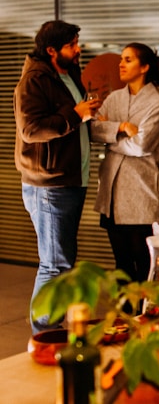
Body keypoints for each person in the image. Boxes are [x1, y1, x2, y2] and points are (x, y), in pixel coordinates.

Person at [14, 20, 101, 334]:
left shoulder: (69, 74)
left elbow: (76, 118)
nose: (78, 49)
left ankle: (51, 327)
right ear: (51, 50)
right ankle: (43, 333)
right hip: (48, 185)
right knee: (54, 264)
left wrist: (87, 114)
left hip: (69, 180)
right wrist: (75, 115)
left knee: (62, 261)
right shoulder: (34, 81)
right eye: (72, 45)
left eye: (77, 42)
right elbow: (32, 129)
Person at [90, 43, 159, 283]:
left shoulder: (157, 103)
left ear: (144, 67)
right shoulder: (114, 98)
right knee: (121, 264)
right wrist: (122, 127)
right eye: (121, 59)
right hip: (112, 195)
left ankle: (145, 316)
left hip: (140, 196)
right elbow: (92, 130)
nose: (121, 64)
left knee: (144, 266)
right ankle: (124, 316)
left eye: (128, 59)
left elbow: (142, 146)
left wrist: (110, 134)